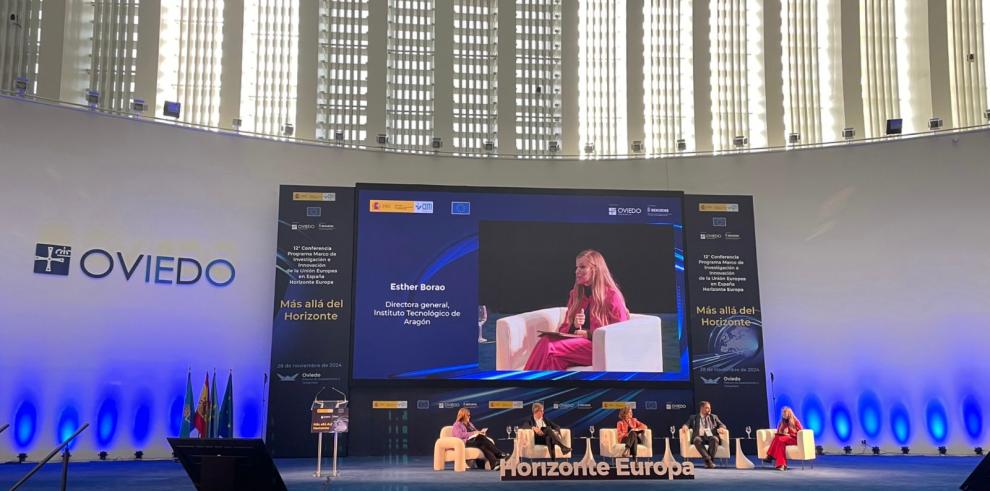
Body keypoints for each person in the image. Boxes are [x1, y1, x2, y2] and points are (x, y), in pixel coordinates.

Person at [524, 249, 630, 371]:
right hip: (578, 346)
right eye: (576, 267)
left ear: (595, 270)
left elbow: (621, 332)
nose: (577, 271)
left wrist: (589, 334)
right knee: (552, 356)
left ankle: (522, 382)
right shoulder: (576, 294)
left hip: (600, 348)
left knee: (548, 344)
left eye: (582, 267)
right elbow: (564, 328)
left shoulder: (611, 295)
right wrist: (574, 325)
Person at [682, 401, 726, 469]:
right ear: (701, 408)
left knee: (715, 439)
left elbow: (722, 424)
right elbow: (686, 424)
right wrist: (685, 427)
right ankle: (709, 461)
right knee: (696, 439)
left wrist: (721, 428)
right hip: (700, 437)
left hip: (711, 437)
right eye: (707, 408)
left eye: (710, 408)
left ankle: (708, 462)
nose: (709, 410)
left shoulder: (714, 417)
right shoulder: (693, 417)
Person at [765, 406, 803, 470]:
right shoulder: (782, 422)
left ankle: (770, 456)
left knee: (779, 439)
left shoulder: (795, 421)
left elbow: (801, 431)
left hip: (793, 438)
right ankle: (782, 465)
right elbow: (778, 432)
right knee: (779, 440)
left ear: (789, 414)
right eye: (783, 414)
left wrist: (789, 433)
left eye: (785, 414)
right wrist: (782, 432)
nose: (784, 415)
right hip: (784, 439)